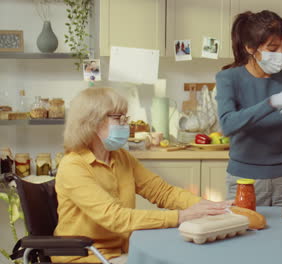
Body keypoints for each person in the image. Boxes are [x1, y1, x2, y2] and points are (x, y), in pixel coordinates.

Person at [53, 87, 232, 264]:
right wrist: (181, 217)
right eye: (118, 118)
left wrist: (211, 208)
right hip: (87, 257)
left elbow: (162, 192)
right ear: (93, 122)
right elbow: (115, 218)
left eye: (125, 117)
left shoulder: (121, 157)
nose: (126, 124)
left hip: (122, 251)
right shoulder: (73, 166)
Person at [215, 10, 282, 207]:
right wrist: (271, 102)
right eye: (273, 48)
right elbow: (227, 124)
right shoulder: (229, 78)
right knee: (245, 233)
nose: (280, 54)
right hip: (245, 181)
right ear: (250, 47)